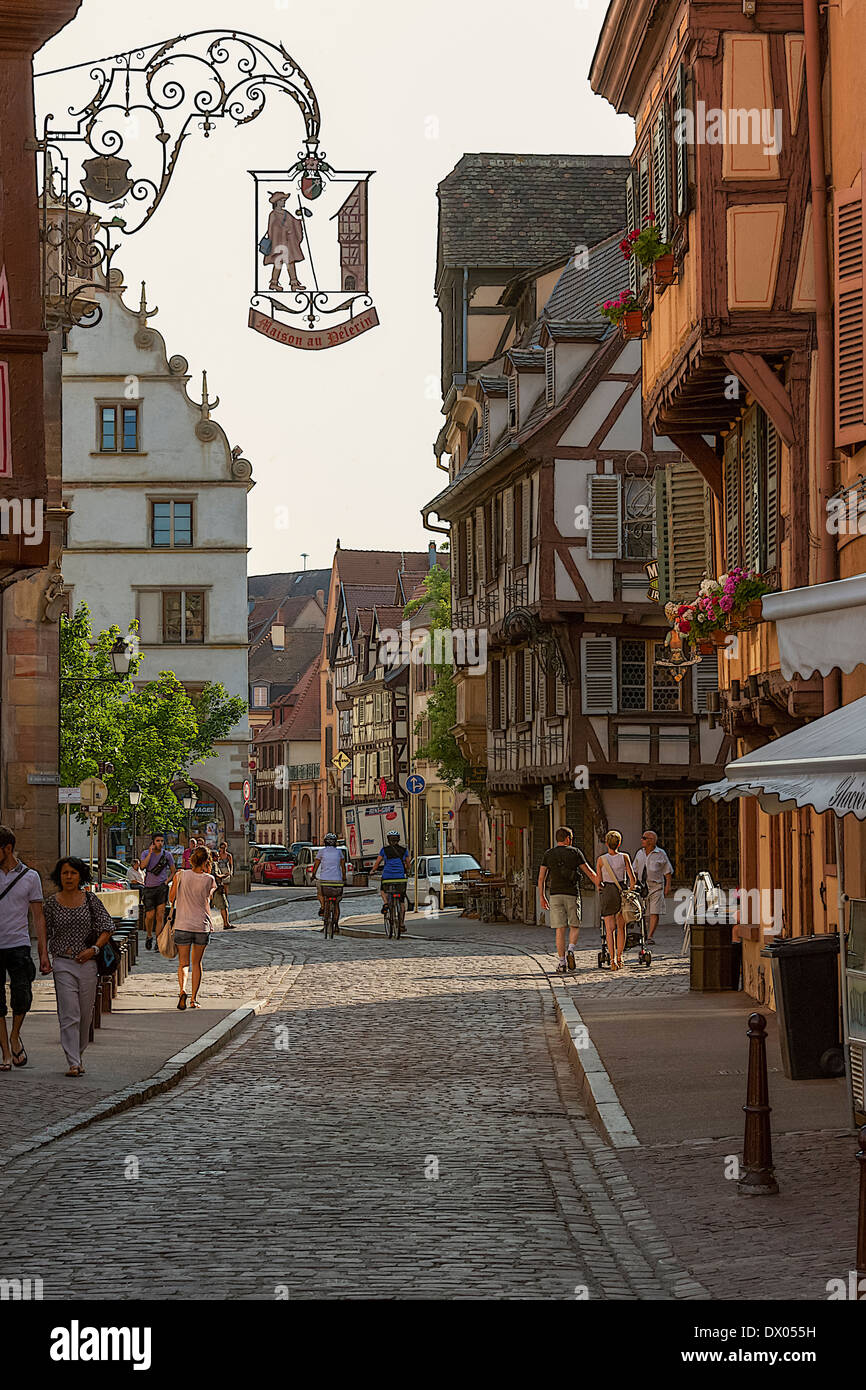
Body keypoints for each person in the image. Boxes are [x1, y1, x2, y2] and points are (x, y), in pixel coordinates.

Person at [44, 857, 114, 1076]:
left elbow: (107, 927)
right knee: (69, 1013)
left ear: (80, 875)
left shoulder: (90, 899)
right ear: (59, 876)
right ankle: (73, 1061)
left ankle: (79, 1053)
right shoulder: (51, 903)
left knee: (85, 1015)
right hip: (63, 963)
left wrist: (94, 949)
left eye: (73, 873)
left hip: (88, 964)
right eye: (65, 873)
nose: (69, 877)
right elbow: (44, 931)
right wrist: (44, 957)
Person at [0, 825, 47, 1070]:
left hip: (18, 943)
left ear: (7, 848)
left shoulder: (30, 877)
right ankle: (6, 1052)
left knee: (22, 995)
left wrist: (43, 952)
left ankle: (14, 1035)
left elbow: (38, 916)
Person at [538, 827, 599, 974]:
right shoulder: (575, 852)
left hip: (555, 894)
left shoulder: (548, 854)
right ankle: (571, 949)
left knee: (560, 929)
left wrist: (542, 896)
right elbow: (589, 871)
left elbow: (541, 877)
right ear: (567, 839)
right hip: (572, 893)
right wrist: (600, 883)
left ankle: (562, 962)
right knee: (574, 925)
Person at [168, 846, 217, 1010]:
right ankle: (193, 999)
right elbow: (209, 898)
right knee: (197, 963)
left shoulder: (180, 875)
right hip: (201, 925)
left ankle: (182, 990)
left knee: (183, 963)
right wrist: (208, 871)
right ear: (206, 861)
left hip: (182, 924)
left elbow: (171, 898)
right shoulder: (209, 879)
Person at [596, 830, 636, 973]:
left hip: (608, 892)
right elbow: (632, 879)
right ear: (619, 843)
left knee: (609, 928)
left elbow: (598, 881)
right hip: (621, 891)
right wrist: (630, 890)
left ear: (606, 843)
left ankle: (611, 958)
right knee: (621, 927)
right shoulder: (624, 857)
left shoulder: (601, 860)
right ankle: (619, 956)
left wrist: (601, 888)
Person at [632, 830, 673, 944]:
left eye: (644, 838)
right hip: (642, 886)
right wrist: (633, 884)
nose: (642, 840)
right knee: (644, 912)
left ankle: (650, 936)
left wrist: (668, 886)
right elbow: (634, 870)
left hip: (656, 886)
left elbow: (667, 871)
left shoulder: (661, 853)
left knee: (654, 912)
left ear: (651, 841)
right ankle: (643, 934)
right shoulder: (639, 853)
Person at [262, 191, 306, 293]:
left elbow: (294, 222)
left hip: (288, 243)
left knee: (290, 262)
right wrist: (284, 229)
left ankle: (294, 284)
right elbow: (272, 229)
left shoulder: (286, 213)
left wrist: (299, 222)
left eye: (284, 200)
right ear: (277, 202)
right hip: (279, 243)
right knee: (279, 263)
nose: (284, 202)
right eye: (282, 200)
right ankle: (274, 283)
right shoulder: (273, 214)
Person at [140, 832, 176, 950]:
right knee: (150, 915)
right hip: (149, 888)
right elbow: (142, 867)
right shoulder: (145, 853)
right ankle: (149, 935)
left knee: (160, 915)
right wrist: (150, 853)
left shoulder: (167, 855)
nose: (160, 843)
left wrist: (167, 881)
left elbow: (173, 870)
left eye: (161, 841)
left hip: (161, 887)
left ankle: (158, 939)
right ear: (153, 842)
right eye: (158, 841)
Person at [372, 831, 410, 929]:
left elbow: (377, 863)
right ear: (398, 839)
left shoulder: (384, 850)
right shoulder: (404, 850)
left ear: (388, 840)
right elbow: (408, 864)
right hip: (400, 879)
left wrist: (372, 871)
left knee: (382, 890)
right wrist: (408, 871)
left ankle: (385, 903)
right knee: (401, 902)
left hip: (387, 877)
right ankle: (401, 924)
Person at [312, 833, 347, 929]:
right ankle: (336, 925)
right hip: (337, 881)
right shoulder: (339, 852)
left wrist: (313, 875)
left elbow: (316, 865)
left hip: (324, 881)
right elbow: (343, 867)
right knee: (336, 903)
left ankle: (323, 906)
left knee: (319, 893)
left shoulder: (321, 852)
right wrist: (344, 877)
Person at [212, 842, 234, 930]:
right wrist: (224, 876)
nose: (218, 857)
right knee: (223, 906)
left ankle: (226, 923)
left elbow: (231, 864)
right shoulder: (214, 864)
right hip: (216, 887)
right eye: (216, 856)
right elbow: (216, 875)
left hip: (213, 887)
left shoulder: (215, 863)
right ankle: (226, 923)